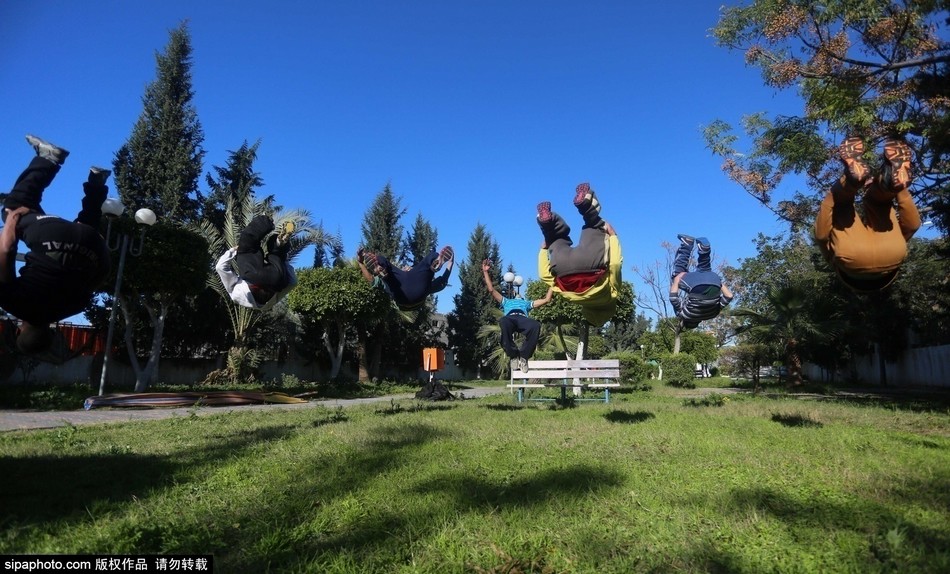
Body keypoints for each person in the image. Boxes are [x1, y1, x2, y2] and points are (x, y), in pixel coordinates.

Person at [0, 135, 111, 354]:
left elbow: (101, 276)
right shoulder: (12, 303)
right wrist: (11, 219)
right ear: (20, 331)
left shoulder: (73, 307)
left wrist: (100, 245)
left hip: (89, 243)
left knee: (83, 232)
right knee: (14, 205)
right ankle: (49, 158)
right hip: (51, 235)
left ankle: (97, 182)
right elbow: (6, 251)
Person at [814, 136, 921, 292]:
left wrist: (901, 192)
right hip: (850, 257)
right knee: (842, 206)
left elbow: (913, 225)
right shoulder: (835, 265)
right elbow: (821, 236)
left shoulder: (887, 273)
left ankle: (889, 187)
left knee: (880, 204)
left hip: (893, 254)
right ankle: (852, 183)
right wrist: (831, 195)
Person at [537, 182, 622, 327]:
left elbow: (615, 265)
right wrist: (543, 250)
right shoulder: (570, 298)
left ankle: (586, 204)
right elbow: (544, 276)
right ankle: (547, 223)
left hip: (592, 262)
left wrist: (613, 237)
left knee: (594, 225)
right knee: (556, 238)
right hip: (563, 267)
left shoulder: (611, 295)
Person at [482, 258, 553, 372]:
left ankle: (524, 357)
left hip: (523, 318)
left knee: (535, 325)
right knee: (503, 321)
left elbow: (546, 299)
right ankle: (514, 355)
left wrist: (553, 283)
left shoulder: (527, 303)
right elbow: (491, 290)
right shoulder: (506, 301)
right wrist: (485, 272)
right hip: (510, 318)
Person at [215, 214, 297, 310]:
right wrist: (234, 251)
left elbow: (293, 283)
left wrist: (283, 261)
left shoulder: (267, 306)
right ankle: (265, 220)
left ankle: (279, 244)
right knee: (247, 245)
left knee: (276, 254)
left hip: (276, 279)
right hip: (253, 275)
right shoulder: (235, 296)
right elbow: (220, 267)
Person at [357, 245, 454, 311]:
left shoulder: (397, 279)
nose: (406, 268)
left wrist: (360, 263)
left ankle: (379, 265)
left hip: (401, 299)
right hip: (418, 296)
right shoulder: (419, 279)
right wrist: (451, 262)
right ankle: (436, 260)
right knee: (428, 263)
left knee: (385, 267)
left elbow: (371, 281)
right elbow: (443, 281)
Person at [668, 234, 734, 329]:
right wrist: (676, 280)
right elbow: (674, 299)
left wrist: (719, 283)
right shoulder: (684, 315)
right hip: (697, 287)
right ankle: (687, 244)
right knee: (677, 274)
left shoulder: (712, 314)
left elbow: (729, 296)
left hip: (714, 280)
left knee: (705, 269)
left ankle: (704, 249)